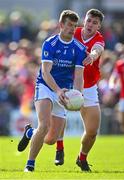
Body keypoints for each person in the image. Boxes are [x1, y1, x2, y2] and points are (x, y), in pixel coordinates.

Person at [17, 10, 87, 172]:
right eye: (69, 25)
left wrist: (77, 93)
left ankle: (29, 133)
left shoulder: (79, 48)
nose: (72, 29)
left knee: (50, 139)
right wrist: (57, 90)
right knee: (44, 125)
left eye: (74, 26)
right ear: (61, 25)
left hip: (64, 92)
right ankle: (30, 165)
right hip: (46, 87)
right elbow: (46, 72)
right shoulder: (50, 43)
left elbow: (78, 75)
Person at [44, 9, 105, 171]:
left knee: (92, 131)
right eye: (89, 20)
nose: (91, 24)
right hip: (66, 83)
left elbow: (98, 50)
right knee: (54, 127)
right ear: (84, 20)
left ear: (99, 26)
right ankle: (60, 147)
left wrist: (92, 56)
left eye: (95, 22)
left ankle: (82, 158)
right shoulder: (73, 32)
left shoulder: (98, 39)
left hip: (89, 86)